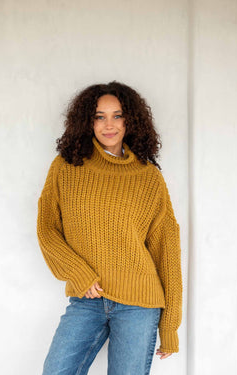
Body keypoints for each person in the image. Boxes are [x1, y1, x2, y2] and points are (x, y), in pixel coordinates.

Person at [37, 81, 183, 375]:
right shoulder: (66, 167)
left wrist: (170, 325)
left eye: (117, 115)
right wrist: (78, 273)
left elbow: (166, 249)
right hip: (87, 301)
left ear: (130, 120)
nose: (109, 125)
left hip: (139, 306)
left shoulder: (148, 178)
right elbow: (47, 228)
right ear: (87, 122)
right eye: (99, 116)